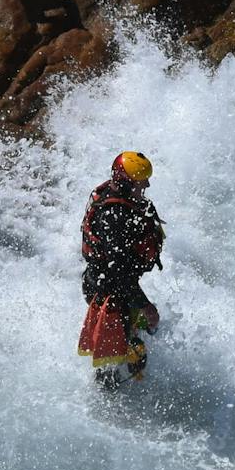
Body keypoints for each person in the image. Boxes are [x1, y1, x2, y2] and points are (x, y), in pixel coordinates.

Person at [77, 151, 165, 386]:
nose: (146, 184)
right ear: (126, 182)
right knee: (112, 361)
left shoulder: (119, 197)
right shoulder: (112, 215)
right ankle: (110, 403)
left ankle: (129, 360)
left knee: (131, 342)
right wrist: (145, 306)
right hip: (109, 292)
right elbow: (119, 272)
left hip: (112, 286)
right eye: (141, 180)